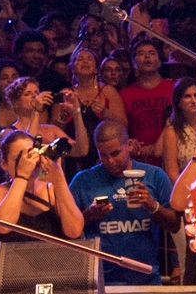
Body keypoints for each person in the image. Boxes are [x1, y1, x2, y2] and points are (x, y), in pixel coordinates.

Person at [68, 120, 177, 283]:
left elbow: (175, 225)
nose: (110, 161)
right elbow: (65, 233)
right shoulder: (83, 181)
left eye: (115, 153)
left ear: (130, 145)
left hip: (146, 279)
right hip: (100, 281)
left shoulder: (154, 176)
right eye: (103, 155)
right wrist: (87, 216)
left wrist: (152, 205)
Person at [0, 128, 86, 244]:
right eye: (20, 158)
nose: (28, 162)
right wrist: (22, 176)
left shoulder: (51, 190)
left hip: (52, 259)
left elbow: (75, 231)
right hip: (10, 260)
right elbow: (3, 227)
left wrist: (59, 180)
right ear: (4, 164)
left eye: (31, 155)